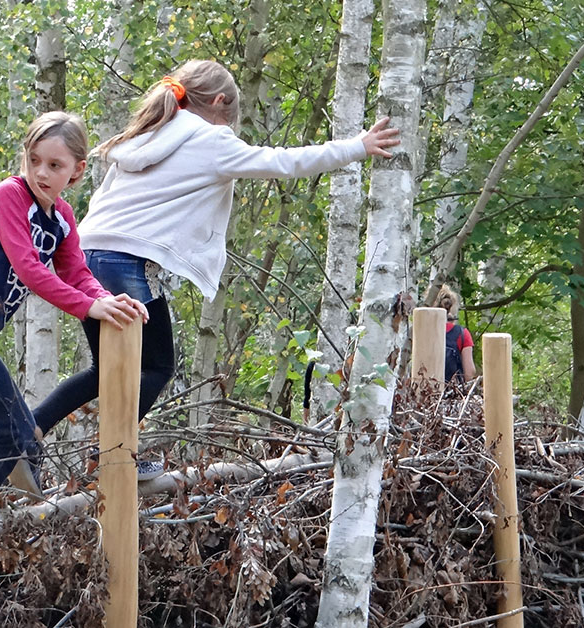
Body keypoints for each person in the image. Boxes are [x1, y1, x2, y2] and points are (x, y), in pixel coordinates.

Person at [24, 59, 400, 468]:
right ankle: (114, 456)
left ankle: (30, 433)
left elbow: (102, 201)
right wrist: (356, 147)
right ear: (220, 103)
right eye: (230, 118)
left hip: (89, 256)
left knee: (107, 372)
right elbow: (283, 162)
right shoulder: (209, 140)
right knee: (156, 366)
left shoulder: (146, 133)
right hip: (123, 262)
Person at [0, 111, 148, 513]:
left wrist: (109, 301)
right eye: (34, 160)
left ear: (77, 171)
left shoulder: (64, 220)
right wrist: (90, 306)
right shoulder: (9, 195)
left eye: (54, 165)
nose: (41, 173)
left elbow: (77, 273)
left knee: (20, 436)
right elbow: (29, 270)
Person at [437, 285, 476, 383]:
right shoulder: (462, 334)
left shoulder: (422, 331)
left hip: (422, 391)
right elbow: (469, 373)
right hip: (451, 393)